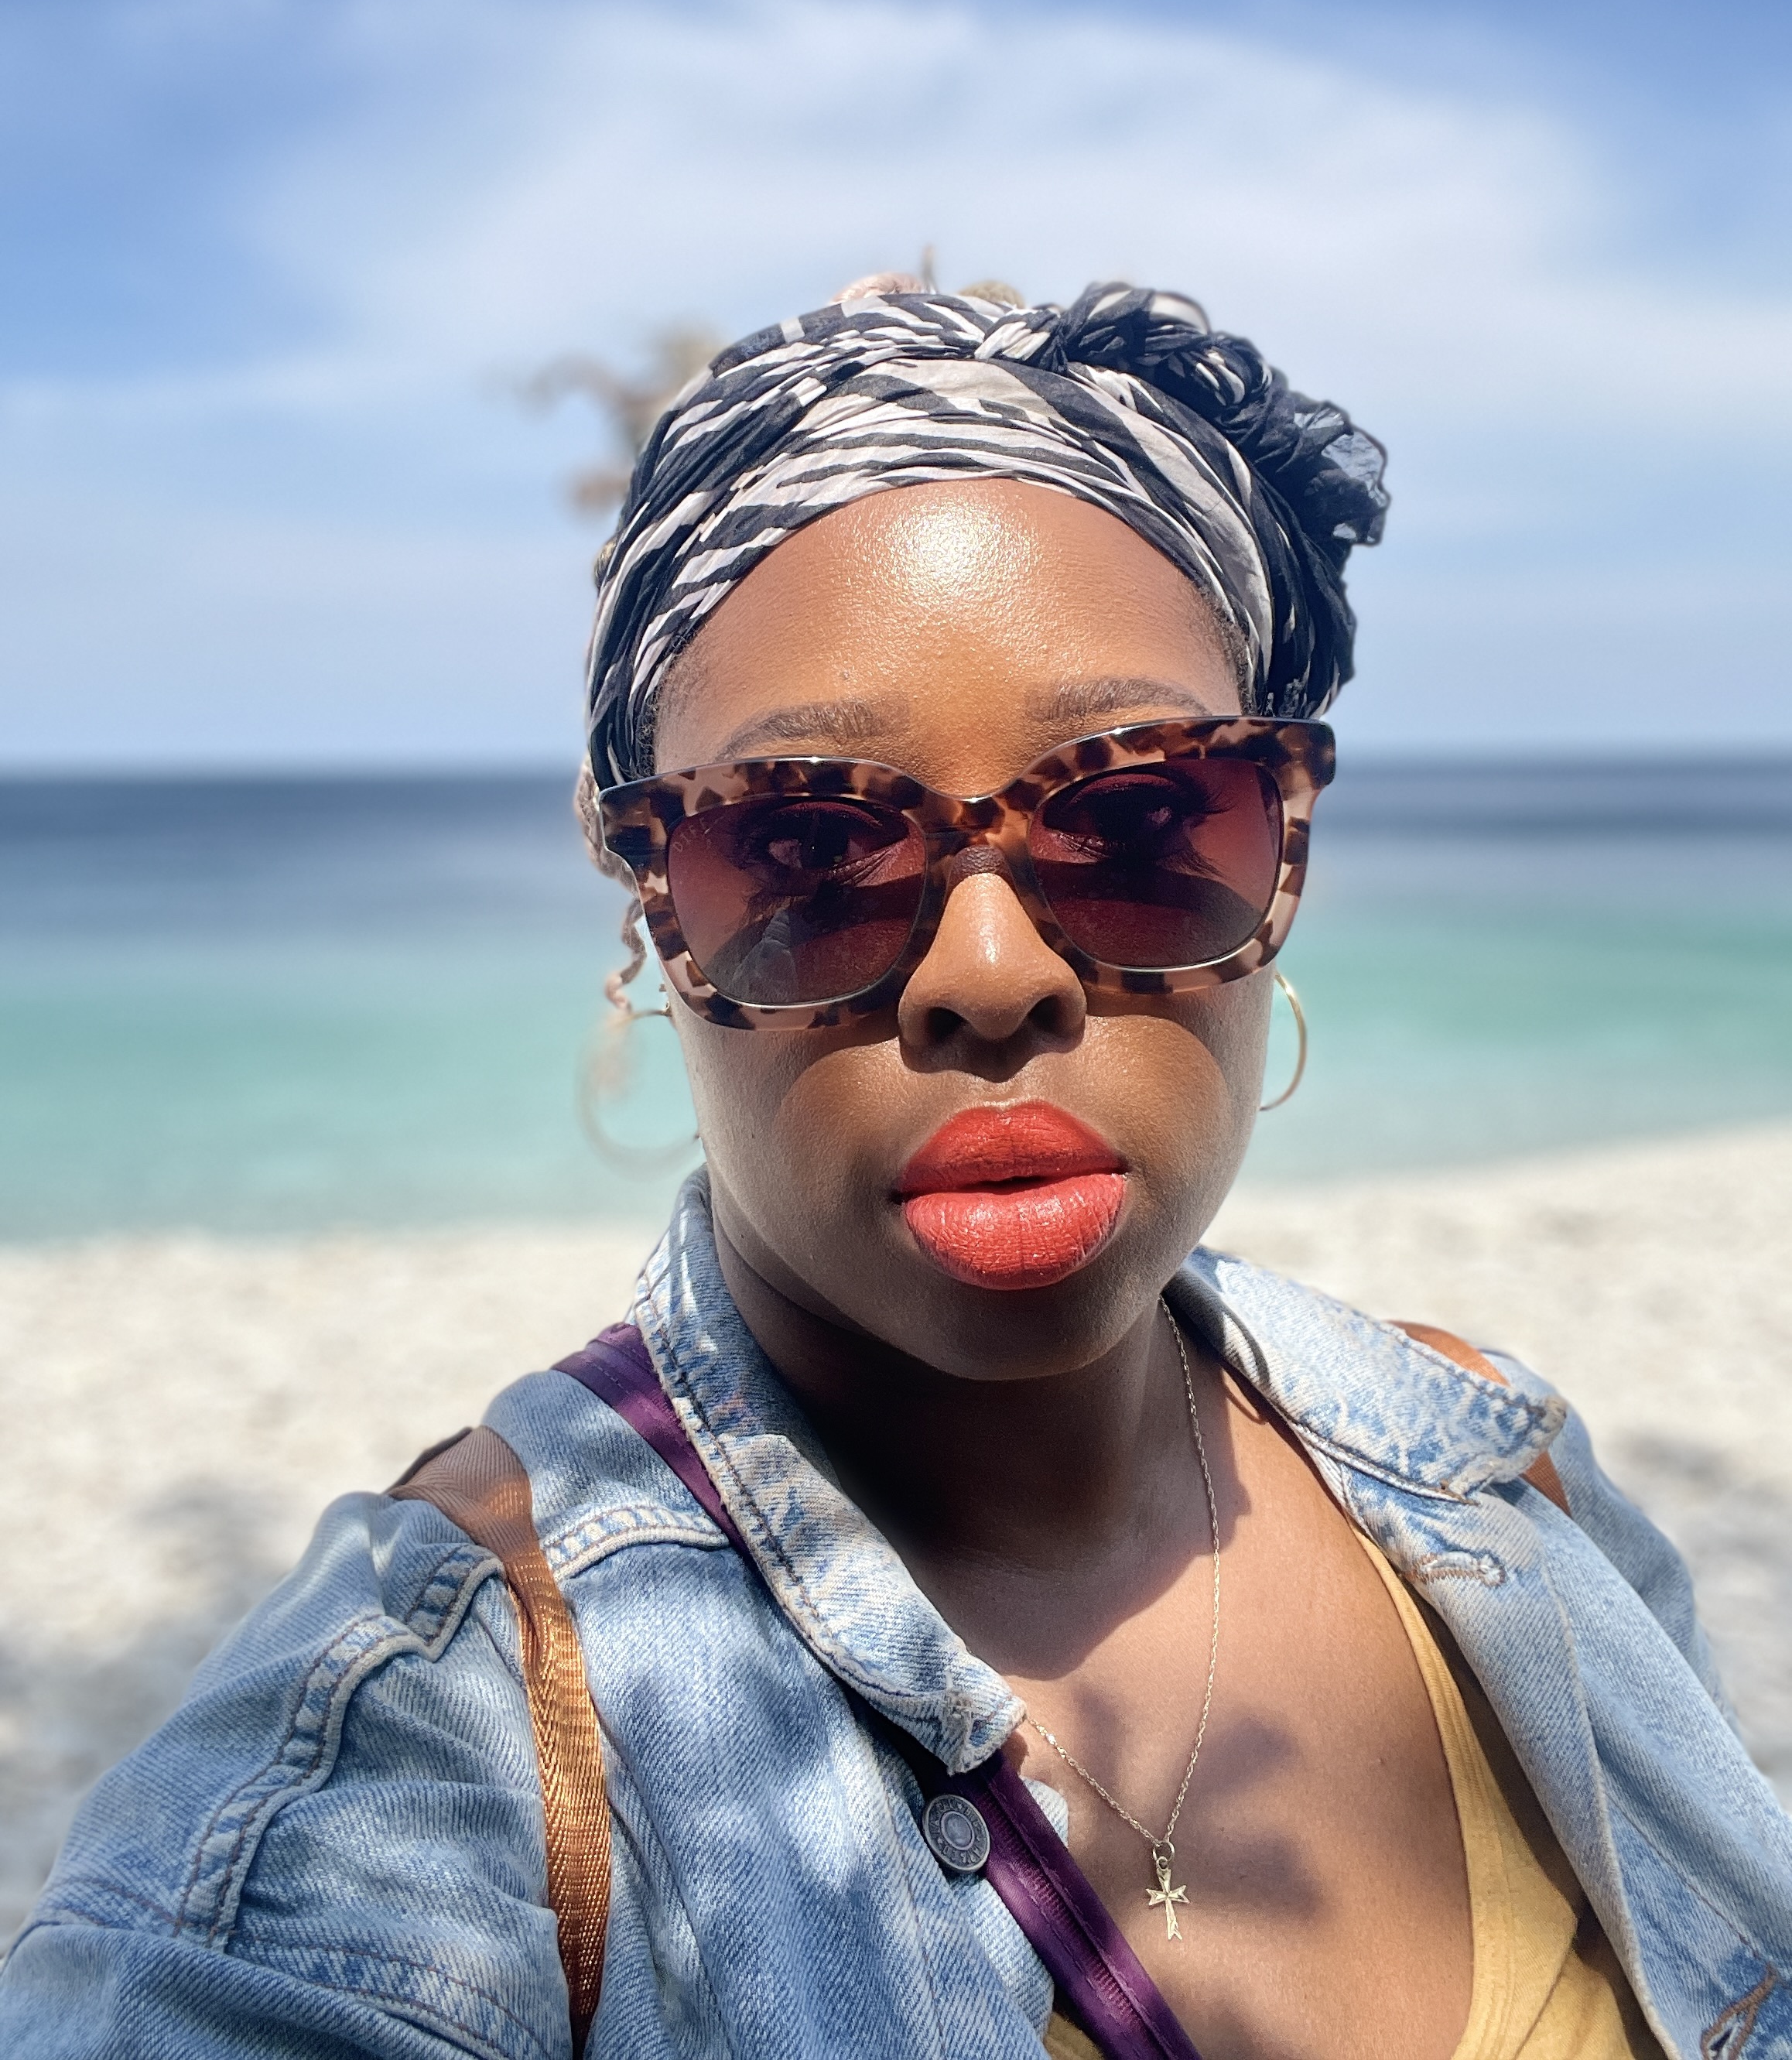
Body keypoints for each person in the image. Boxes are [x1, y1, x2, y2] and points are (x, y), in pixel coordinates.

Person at [4, 278, 1787, 2060]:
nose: (989, 975)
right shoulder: (421, 1749)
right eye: (803, 843)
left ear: (1284, 852)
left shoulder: (1508, 1480)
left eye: (1141, 815)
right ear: (651, 917)